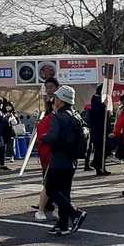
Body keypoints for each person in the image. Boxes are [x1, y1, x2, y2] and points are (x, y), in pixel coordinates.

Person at [41, 85, 87, 235]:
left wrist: (44, 138)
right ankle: (63, 224)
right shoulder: (76, 115)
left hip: (59, 158)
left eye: (56, 98)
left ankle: (75, 213)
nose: (54, 100)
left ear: (61, 100)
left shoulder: (58, 116)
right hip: (71, 159)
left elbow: (53, 136)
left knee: (51, 189)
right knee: (64, 192)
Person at [33, 97, 57, 222]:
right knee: (49, 184)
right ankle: (41, 210)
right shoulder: (48, 120)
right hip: (51, 156)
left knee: (58, 185)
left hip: (58, 156)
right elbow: (42, 140)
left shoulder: (61, 117)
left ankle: (55, 209)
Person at [86, 86, 110, 176]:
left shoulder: (101, 99)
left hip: (102, 129)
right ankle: (98, 166)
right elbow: (97, 113)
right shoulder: (96, 99)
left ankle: (101, 166)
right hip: (98, 130)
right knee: (99, 149)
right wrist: (103, 105)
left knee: (103, 149)